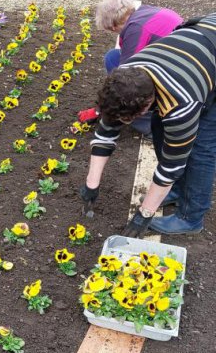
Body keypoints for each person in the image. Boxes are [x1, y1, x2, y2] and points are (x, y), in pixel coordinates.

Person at [79, 12, 216, 236]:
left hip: (206, 61)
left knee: (202, 146)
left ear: (145, 106)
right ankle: (179, 190)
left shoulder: (181, 104)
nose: (123, 123)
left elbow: (172, 165)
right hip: (199, 40)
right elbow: (105, 133)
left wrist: (145, 213)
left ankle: (191, 217)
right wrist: (91, 184)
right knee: (159, 126)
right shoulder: (123, 78)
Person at [80, 0, 184, 135]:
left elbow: (124, 77)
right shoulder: (144, 12)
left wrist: (101, 110)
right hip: (182, 61)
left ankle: (151, 125)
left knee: (128, 83)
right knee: (113, 57)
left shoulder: (136, 29)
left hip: (176, 77)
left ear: (113, 26)